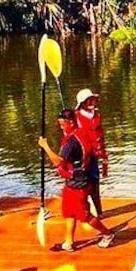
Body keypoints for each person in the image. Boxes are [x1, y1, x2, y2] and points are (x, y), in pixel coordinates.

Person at [38, 109, 115, 251]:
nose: (61, 128)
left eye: (62, 125)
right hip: (74, 182)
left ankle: (107, 234)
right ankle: (68, 242)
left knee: (84, 215)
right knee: (68, 211)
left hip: (79, 184)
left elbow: (58, 162)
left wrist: (45, 147)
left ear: (71, 122)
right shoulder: (82, 132)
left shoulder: (71, 143)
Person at [74, 88, 108, 217]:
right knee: (83, 183)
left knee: (95, 181)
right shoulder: (75, 116)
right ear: (82, 103)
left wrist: (104, 154)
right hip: (83, 155)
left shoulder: (97, 115)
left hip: (95, 154)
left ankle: (98, 212)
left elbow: (100, 135)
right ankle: (83, 211)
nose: (91, 102)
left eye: (92, 99)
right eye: (88, 100)